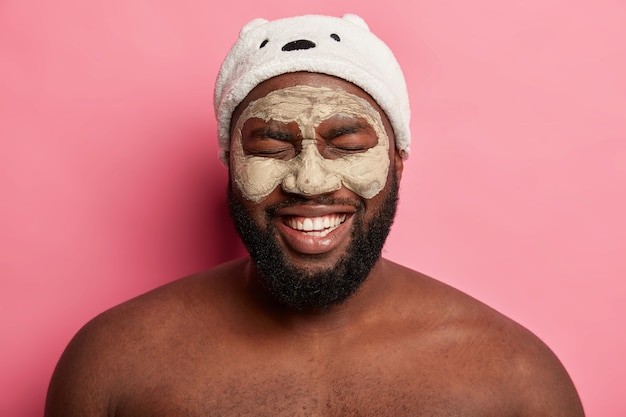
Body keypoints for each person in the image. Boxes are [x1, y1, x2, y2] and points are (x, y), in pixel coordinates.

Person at [45, 14, 585, 416]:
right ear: (228, 161)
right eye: (271, 144)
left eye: (346, 142)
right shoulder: (113, 366)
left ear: (398, 162)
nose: (309, 182)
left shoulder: (518, 383)